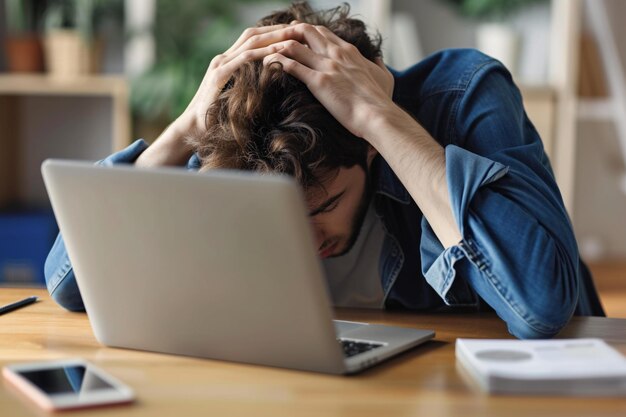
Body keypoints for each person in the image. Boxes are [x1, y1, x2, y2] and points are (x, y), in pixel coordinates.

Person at [44, 1, 604, 338]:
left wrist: (379, 118)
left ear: (365, 149)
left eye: (325, 206)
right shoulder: (245, 142)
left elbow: (540, 307)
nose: (304, 241)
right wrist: (182, 132)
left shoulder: (463, 96)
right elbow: (68, 284)